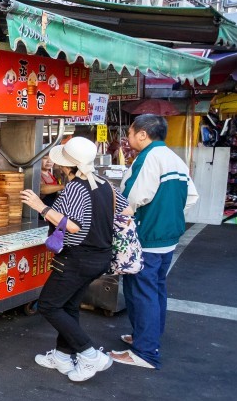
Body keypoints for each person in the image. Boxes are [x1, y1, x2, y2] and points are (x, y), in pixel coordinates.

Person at [19, 136, 128, 383]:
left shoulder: (76, 187)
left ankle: (90, 354)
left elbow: (75, 227)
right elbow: (126, 210)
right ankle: (62, 356)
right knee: (68, 306)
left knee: (48, 305)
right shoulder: (104, 183)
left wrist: (41, 207)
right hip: (100, 255)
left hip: (77, 258)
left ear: (66, 166)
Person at [113, 114, 199, 370]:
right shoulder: (174, 159)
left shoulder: (149, 158)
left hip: (147, 237)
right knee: (156, 288)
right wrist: (166, 215)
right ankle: (147, 336)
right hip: (168, 237)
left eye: (130, 133)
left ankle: (145, 352)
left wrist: (126, 213)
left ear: (143, 134)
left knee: (142, 292)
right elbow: (192, 196)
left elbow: (133, 198)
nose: (128, 138)